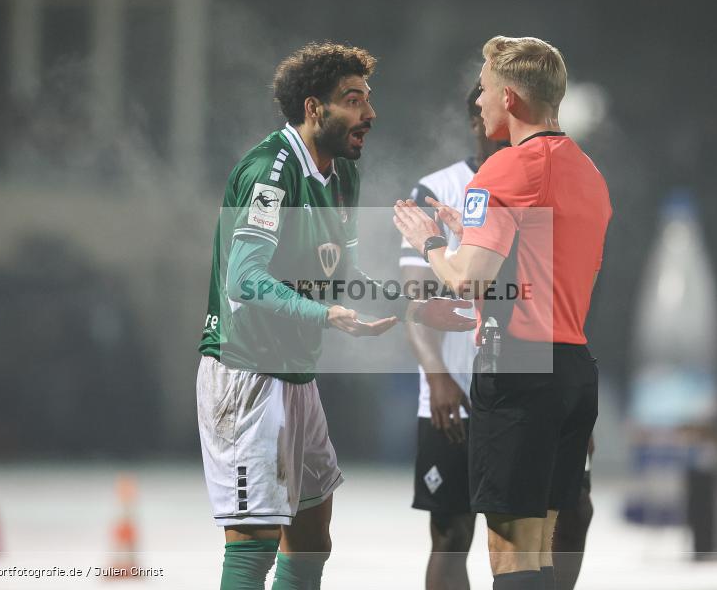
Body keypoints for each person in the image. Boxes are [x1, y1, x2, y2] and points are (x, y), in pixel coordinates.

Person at [197, 42, 473, 590]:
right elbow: (243, 279)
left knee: (313, 533)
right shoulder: (270, 174)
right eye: (353, 100)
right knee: (253, 544)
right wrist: (323, 315)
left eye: (368, 99)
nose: (369, 113)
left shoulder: (342, 175)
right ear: (313, 109)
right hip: (246, 376)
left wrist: (414, 306)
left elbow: (342, 274)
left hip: (296, 377)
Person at [394, 36, 612, 590]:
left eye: (487, 90)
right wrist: (471, 231)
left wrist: (430, 243)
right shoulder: (588, 172)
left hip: (517, 372)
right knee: (543, 551)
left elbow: (468, 279)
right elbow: (542, 268)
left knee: (512, 557)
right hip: (573, 370)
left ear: (511, 98)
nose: (480, 103)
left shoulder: (504, 171)